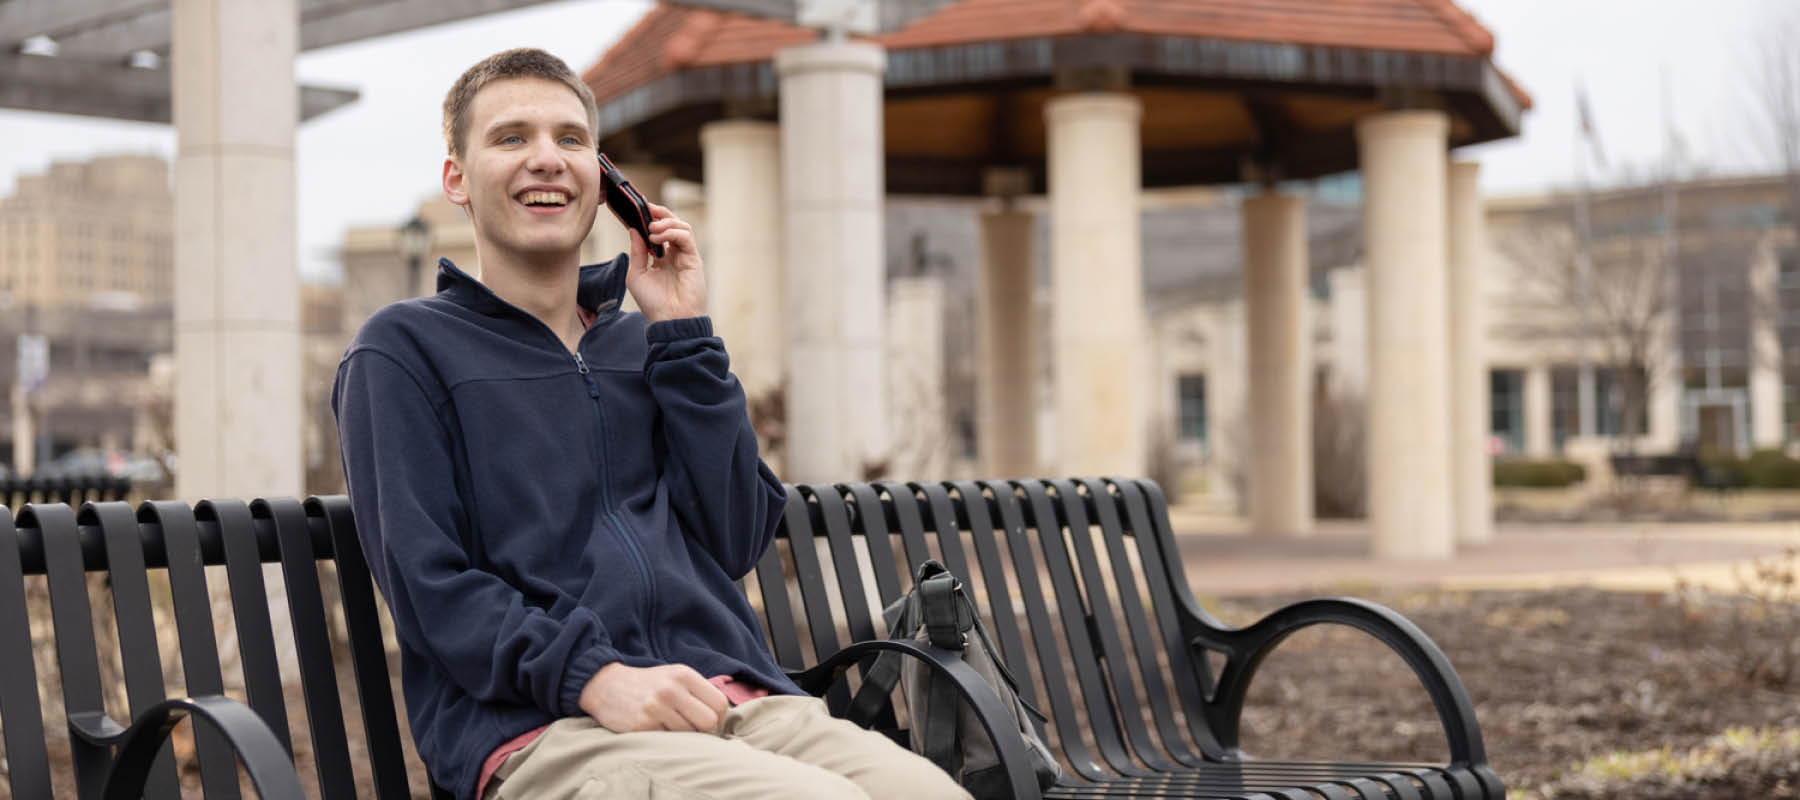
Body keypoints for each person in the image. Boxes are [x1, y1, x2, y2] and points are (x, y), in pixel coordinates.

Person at [333, 48, 971, 800]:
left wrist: (685, 333)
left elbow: (735, 536)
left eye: (571, 140)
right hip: (552, 728)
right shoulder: (402, 351)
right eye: (511, 138)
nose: (547, 159)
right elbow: (431, 583)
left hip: (735, 703)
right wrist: (595, 677)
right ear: (457, 181)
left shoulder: (646, 344)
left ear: (604, 181)